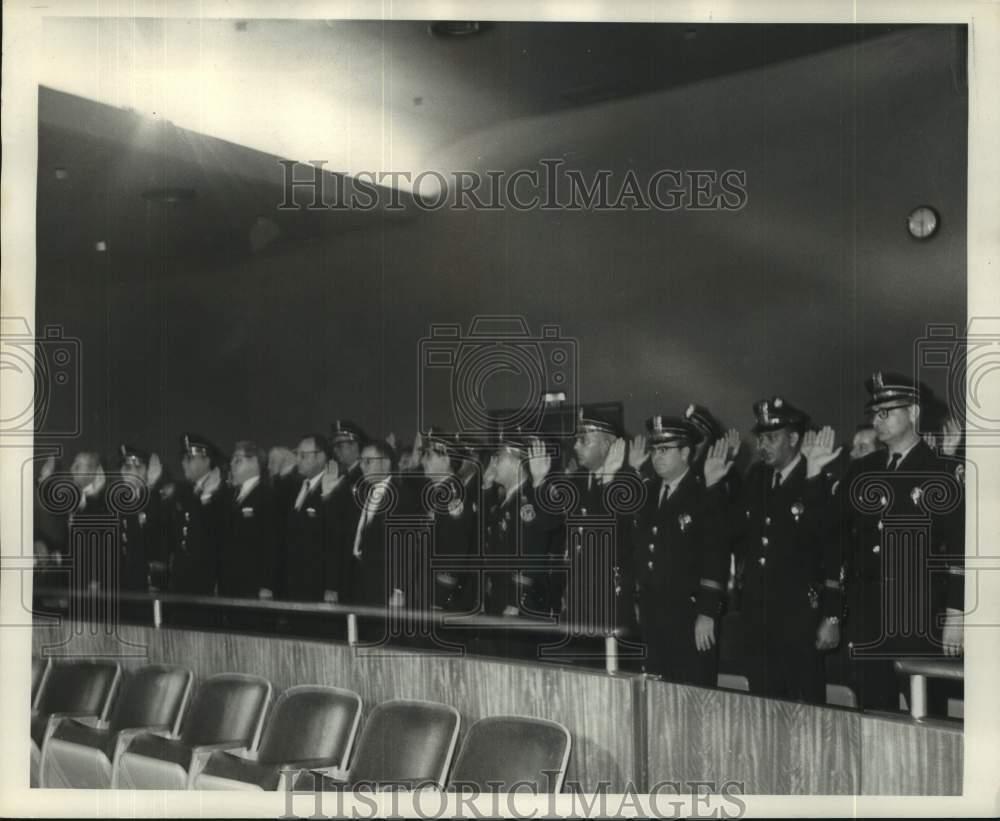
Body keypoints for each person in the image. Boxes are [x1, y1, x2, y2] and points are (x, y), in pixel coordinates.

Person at [825, 371, 964, 712]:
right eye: (875, 413)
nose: (877, 420)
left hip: (918, 614)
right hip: (868, 611)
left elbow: (962, 547)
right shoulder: (862, 470)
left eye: (887, 412)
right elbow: (830, 532)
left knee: (924, 710)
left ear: (914, 413)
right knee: (872, 708)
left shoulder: (942, 472)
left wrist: (956, 615)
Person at [709, 397, 842, 704]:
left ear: (794, 438)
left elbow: (832, 548)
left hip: (800, 617)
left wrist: (832, 616)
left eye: (771, 438)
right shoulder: (757, 477)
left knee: (806, 704)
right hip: (758, 615)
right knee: (762, 701)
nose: (762, 446)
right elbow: (729, 530)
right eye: (760, 438)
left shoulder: (818, 476)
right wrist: (714, 487)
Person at [631, 416, 729, 686]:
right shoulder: (649, 492)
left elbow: (716, 553)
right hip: (653, 613)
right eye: (653, 450)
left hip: (690, 614)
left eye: (665, 450)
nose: (656, 457)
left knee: (692, 691)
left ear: (685, 453)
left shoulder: (703, 492)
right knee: (657, 689)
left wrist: (707, 612)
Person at [480, 431, 565, 661]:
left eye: (499, 457)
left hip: (519, 605)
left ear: (518, 461)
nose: (493, 462)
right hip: (499, 600)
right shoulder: (505, 500)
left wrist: (517, 601)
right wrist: (487, 487)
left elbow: (539, 542)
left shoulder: (531, 498)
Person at [162, 433, 227, 596]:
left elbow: (217, 537)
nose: (183, 463)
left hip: (207, 578)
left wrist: (207, 499)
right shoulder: (184, 491)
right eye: (183, 458)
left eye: (190, 458)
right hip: (181, 577)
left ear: (207, 461)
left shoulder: (222, 493)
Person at [219, 441, 279, 599]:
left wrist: (267, 584)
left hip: (254, 584)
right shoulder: (232, 495)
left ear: (254, 462)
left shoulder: (267, 496)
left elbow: (271, 543)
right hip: (231, 582)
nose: (231, 464)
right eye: (232, 460)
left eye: (238, 460)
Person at [281, 433, 337, 602]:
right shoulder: (297, 486)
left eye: (303, 456)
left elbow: (334, 541)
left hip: (317, 584)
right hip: (296, 582)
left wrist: (332, 585)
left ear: (321, 457)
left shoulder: (333, 490)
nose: (297, 460)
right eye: (297, 454)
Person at [117, 444, 165, 593]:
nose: (125, 472)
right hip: (121, 580)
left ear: (144, 471)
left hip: (145, 581)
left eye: (131, 467)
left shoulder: (156, 499)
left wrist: (150, 488)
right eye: (124, 467)